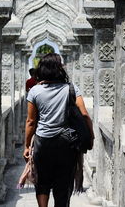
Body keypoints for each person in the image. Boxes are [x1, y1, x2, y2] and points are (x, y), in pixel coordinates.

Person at [24, 53, 94, 207]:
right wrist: (91, 136)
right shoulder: (71, 88)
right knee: (62, 185)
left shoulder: (35, 91)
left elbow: (30, 121)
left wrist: (27, 146)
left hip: (43, 143)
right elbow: (85, 115)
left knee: (42, 182)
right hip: (66, 144)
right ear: (59, 69)